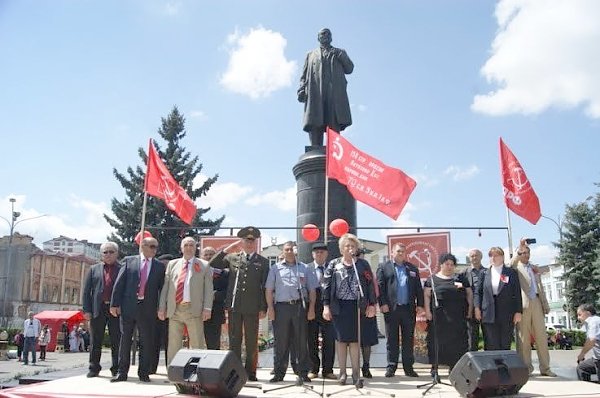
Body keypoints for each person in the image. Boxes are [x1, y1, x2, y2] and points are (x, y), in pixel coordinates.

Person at [209, 226, 269, 382]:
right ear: (241, 242)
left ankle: (251, 372)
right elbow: (212, 264)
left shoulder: (263, 262)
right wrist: (227, 249)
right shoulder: (232, 258)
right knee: (234, 341)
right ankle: (234, 372)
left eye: (252, 241)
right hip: (235, 305)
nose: (249, 243)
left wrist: (264, 307)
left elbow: (265, 286)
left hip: (252, 307)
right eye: (246, 240)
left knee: (251, 342)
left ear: (256, 243)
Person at [323, 233, 377, 387]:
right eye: (347, 246)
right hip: (339, 307)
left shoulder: (362, 265)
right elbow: (326, 286)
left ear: (356, 249)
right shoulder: (333, 264)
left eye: (353, 246)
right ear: (341, 249)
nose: (350, 248)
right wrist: (326, 306)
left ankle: (355, 374)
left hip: (356, 307)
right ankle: (342, 373)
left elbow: (370, 285)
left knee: (354, 341)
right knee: (341, 341)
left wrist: (372, 304)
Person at [110, 237, 165, 383]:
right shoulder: (129, 261)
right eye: (152, 246)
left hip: (148, 309)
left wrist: (162, 307)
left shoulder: (159, 266)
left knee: (146, 342)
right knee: (125, 340)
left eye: (156, 247)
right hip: (128, 307)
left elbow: (162, 289)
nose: (155, 249)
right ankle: (122, 373)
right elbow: (119, 284)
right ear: (143, 246)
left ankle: (144, 373)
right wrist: (114, 304)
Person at [266, 241, 317, 383]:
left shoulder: (305, 268)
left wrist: (311, 308)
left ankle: (303, 372)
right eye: (286, 249)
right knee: (280, 342)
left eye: (292, 249)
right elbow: (269, 290)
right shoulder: (275, 268)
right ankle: (278, 373)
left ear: (296, 251)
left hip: (299, 307)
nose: (289, 252)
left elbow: (312, 290)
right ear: (283, 252)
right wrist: (270, 308)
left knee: (301, 341)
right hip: (281, 308)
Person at [159, 237, 213, 365]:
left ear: (195, 248)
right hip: (175, 309)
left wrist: (207, 308)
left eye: (191, 245)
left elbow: (208, 289)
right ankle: (173, 372)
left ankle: (196, 371)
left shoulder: (204, 265)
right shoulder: (172, 264)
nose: (189, 248)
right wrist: (162, 307)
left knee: (196, 343)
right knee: (173, 344)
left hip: (193, 310)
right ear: (181, 248)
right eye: (186, 245)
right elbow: (166, 287)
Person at [297, 28, 354, 146]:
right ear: (318, 37)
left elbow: (349, 69)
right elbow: (304, 75)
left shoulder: (339, 52)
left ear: (331, 37)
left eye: (328, 34)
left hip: (334, 93)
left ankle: (335, 148)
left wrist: (341, 56)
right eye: (323, 34)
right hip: (316, 92)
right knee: (315, 120)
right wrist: (301, 89)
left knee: (333, 120)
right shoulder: (310, 55)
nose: (326, 35)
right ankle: (315, 148)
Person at [376, 243, 424, 378]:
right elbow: (380, 288)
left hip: (408, 309)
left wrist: (420, 305)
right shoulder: (384, 267)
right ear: (393, 252)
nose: (401, 253)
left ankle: (409, 368)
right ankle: (391, 367)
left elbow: (418, 289)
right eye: (398, 251)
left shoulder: (412, 268)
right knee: (392, 339)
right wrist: (383, 304)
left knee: (408, 340)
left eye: (403, 251)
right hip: (391, 309)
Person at [511, 239, 557, 376]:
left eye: (527, 253)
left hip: (536, 302)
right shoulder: (515, 267)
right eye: (523, 253)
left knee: (542, 337)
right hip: (523, 305)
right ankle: (526, 369)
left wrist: (545, 305)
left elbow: (540, 288)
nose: (525, 255)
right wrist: (519, 249)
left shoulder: (533, 267)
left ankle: (545, 368)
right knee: (523, 339)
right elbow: (511, 263)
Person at [424, 253, 472, 378]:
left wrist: (470, 309)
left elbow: (469, 294)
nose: (450, 266)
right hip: (439, 317)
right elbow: (427, 296)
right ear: (441, 265)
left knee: (457, 343)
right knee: (436, 342)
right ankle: (435, 368)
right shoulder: (432, 279)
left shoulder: (460, 278)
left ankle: (454, 367)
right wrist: (428, 312)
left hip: (457, 317)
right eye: (447, 264)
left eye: (452, 264)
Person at [82, 241, 122, 378]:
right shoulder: (94, 269)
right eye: (105, 252)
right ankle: (94, 368)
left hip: (116, 310)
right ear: (101, 254)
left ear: (117, 253)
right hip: (97, 309)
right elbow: (87, 291)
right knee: (95, 340)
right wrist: (87, 310)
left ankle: (116, 368)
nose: (108, 254)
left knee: (117, 340)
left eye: (111, 252)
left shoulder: (123, 268)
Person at [474, 247, 522, 350]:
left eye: (496, 255)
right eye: (491, 256)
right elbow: (478, 292)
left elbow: (517, 293)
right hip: (488, 313)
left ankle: (504, 366)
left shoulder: (510, 272)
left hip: (506, 313)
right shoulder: (484, 273)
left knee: (505, 343)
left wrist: (518, 311)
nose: (493, 258)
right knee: (491, 344)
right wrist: (477, 308)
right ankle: (492, 366)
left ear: (502, 257)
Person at [306, 242, 336, 380]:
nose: (319, 254)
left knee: (329, 340)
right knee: (311, 340)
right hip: (311, 308)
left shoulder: (332, 268)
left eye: (322, 252)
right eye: (316, 252)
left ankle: (328, 370)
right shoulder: (306, 268)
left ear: (326, 254)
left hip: (328, 308)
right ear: (312, 254)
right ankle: (313, 368)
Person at [201, 246, 229, 350]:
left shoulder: (223, 273)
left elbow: (228, 291)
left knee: (214, 344)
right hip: (197, 311)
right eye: (206, 254)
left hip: (215, 312)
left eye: (211, 254)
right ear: (201, 257)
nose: (208, 257)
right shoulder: (196, 272)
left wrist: (213, 295)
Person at [152, 253, 174, 373]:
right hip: (154, 315)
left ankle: (170, 368)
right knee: (153, 342)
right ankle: (151, 368)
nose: (165, 268)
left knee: (170, 343)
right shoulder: (154, 277)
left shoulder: (175, 279)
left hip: (171, 315)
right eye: (163, 265)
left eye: (168, 265)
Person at [462, 248, 484, 351]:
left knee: (489, 338)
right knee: (472, 339)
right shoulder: (463, 273)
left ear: (481, 257)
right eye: (472, 256)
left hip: (485, 308)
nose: (474, 258)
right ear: (469, 258)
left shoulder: (488, 272)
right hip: (470, 309)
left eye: (476, 255)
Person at [576, 303, 600, 382]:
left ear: (588, 313)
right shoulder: (590, 323)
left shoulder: (594, 321)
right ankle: (587, 388)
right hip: (596, 359)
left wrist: (582, 354)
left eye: (580, 314)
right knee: (582, 368)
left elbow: (591, 340)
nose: (578, 318)